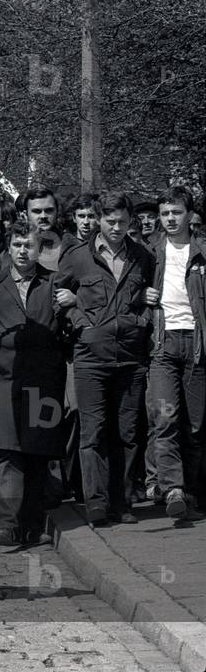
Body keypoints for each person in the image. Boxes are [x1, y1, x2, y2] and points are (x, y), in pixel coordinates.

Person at [57, 191, 155, 525]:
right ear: (99, 219)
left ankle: (122, 501)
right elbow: (60, 298)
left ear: (131, 222)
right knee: (93, 432)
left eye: (123, 222)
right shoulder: (77, 256)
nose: (116, 228)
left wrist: (141, 321)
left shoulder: (143, 256)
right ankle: (96, 502)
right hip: (90, 358)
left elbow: (149, 296)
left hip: (130, 357)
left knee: (127, 433)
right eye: (110, 221)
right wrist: (81, 324)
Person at [0, 220, 68, 546]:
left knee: (37, 455)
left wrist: (69, 305)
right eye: (16, 245)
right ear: (8, 248)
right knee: (6, 454)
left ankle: (31, 523)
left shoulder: (54, 285)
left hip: (43, 382)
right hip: (1, 381)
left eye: (28, 245)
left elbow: (67, 331)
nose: (22, 251)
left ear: (39, 247)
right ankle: (4, 525)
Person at [144, 186, 206, 520]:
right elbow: (131, 287)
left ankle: (192, 492)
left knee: (195, 426)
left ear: (189, 215)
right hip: (162, 344)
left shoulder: (202, 251)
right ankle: (172, 489)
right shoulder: (150, 250)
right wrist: (144, 295)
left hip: (196, 344)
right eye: (165, 213)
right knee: (164, 418)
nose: (170, 219)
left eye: (176, 212)